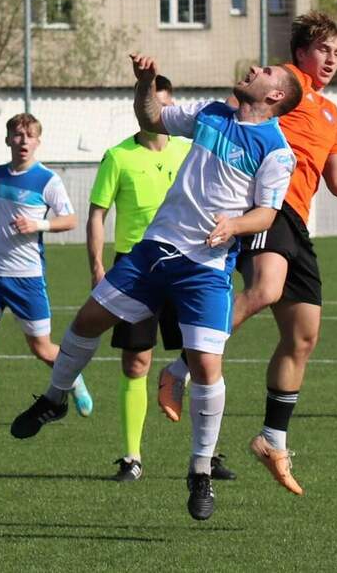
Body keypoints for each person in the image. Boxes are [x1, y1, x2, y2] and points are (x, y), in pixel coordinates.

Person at [11, 53, 302, 522]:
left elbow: (267, 213)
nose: (254, 69)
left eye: (266, 72)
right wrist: (145, 83)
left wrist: (234, 226)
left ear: (275, 95)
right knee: (86, 321)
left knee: (206, 367)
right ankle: (55, 398)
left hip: (206, 266)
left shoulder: (276, 150)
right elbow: (151, 117)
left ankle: (200, 471)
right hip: (155, 250)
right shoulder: (211, 113)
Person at [158, 11, 337, 496]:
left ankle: (272, 439)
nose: (331, 60)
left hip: (298, 224)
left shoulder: (330, 112)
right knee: (265, 290)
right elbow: (236, 111)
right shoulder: (283, 85)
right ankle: (178, 370)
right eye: (323, 50)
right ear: (300, 53)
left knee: (303, 335)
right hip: (266, 211)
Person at [87, 74, 234, 482]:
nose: (162, 115)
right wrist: (97, 266)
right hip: (138, 265)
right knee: (136, 361)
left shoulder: (190, 149)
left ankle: (208, 455)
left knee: (205, 360)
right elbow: (97, 214)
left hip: (191, 264)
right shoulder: (118, 156)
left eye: (167, 107)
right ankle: (131, 457)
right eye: (156, 106)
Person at [0, 113, 92, 431]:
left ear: (38, 141)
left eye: (29, 135)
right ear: (8, 139)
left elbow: (70, 219)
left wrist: (37, 224)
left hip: (27, 277)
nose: (23, 140)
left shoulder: (47, 180)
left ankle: (73, 378)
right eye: (17, 134)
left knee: (42, 348)